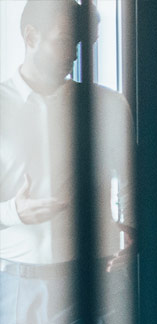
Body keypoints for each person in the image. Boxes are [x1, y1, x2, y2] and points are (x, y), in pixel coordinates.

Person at [0, 1, 134, 323]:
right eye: (63, 41)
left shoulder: (108, 105)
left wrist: (133, 228)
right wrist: (14, 212)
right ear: (31, 36)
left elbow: (135, 183)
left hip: (101, 280)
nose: (73, 54)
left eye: (78, 44)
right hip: (21, 284)